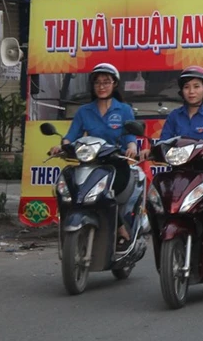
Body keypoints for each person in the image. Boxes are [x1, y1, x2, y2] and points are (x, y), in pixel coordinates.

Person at [53, 63, 140, 251]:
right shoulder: (84, 111)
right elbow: (71, 137)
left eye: (106, 82)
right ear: (93, 85)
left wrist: (132, 148)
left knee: (107, 193)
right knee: (70, 188)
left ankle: (121, 228)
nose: (102, 86)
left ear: (114, 84)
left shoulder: (124, 110)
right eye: (98, 82)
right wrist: (61, 147)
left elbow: (130, 137)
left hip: (115, 164)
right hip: (89, 164)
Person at [158, 66, 203, 262]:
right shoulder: (174, 116)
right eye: (187, 87)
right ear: (181, 91)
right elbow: (163, 141)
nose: (191, 91)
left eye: (196, 86)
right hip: (179, 171)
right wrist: (151, 150)